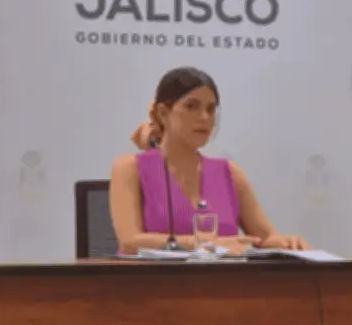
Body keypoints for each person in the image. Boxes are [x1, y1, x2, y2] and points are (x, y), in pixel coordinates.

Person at [110, 66, 310, 255]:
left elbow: (265, 238)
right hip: (156, 279)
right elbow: (129, 243)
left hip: (226, 279)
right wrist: (203, 243)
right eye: (191, 106)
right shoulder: (130, 168)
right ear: (163, 113)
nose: (204, 117)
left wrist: (286, 242)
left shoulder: (229, 172)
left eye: (211, 109)